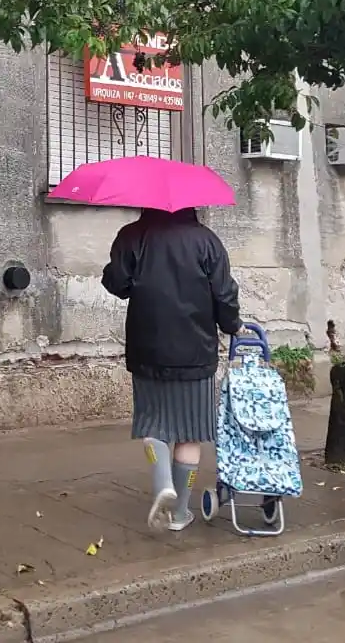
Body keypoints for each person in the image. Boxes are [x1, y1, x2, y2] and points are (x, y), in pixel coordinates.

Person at [101, 206, 242, 532]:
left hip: (147, 349)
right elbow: (224, 294)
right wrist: (233, 325)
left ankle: (163, 482)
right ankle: (179, 513)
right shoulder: (207, 241)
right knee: (191, 433)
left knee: (153, 425)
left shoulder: (132, 236)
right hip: (195, 352)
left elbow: (117, 283)